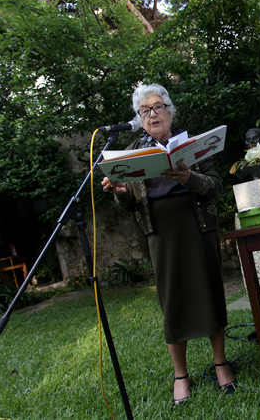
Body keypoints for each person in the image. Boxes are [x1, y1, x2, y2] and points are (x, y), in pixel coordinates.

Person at [101, 83, 235, 405]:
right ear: (139, 117)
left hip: (198, 227)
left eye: (158, 107)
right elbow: (131, 204)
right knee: (171, 302)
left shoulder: (193, 145)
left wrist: (189, 178)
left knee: (212, 293)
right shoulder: (133, 152)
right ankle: (181, 375)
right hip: (161, 234)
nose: (152, 114)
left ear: (170, 111)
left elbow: (215, 187)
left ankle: (220, 364)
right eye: (144, 111)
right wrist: (121, 194)